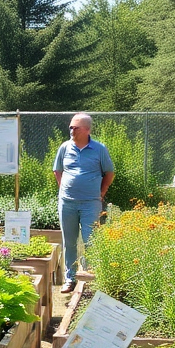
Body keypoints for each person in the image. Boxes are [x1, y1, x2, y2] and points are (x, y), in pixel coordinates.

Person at [53, 113, 115, 292]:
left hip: (90, 204)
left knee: (91, 240)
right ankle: (70, 278)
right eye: (70, 127)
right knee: (69, 241)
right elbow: (57, 170)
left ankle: (89, 278)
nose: (72, 131)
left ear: (87, 130)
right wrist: (64, 189)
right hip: (67, 203)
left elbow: (109, 173)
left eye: (76, 128)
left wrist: (101, 192)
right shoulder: (64, 147)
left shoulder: (99, 149)